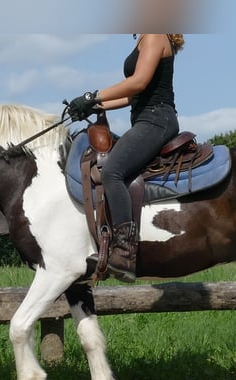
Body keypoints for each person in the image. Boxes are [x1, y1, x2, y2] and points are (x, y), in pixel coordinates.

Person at [68, 34, 184, 282]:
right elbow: (132, 96)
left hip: (156, 119)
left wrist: (93, 96)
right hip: (145, 117)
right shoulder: (145, 37)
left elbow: (139, 82)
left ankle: (124, 252)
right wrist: (96, 106)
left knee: (112, 172)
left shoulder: (154, 34)